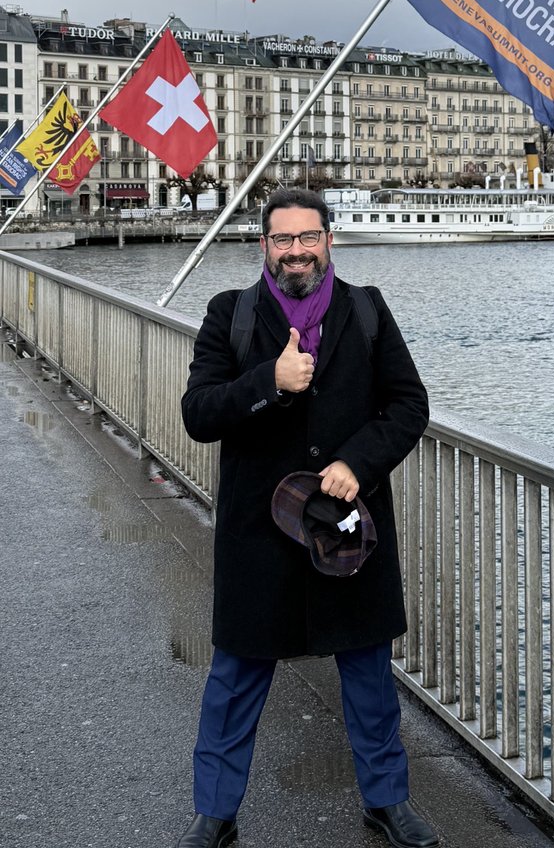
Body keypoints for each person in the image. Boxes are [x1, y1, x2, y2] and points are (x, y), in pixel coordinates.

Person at [176, 188, 439, 848]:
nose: (296, 251)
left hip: (346, 527)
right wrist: (269, 381)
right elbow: (198, 414)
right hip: (258, 536)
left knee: (369, 676)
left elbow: (408, 405)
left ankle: (387, 800)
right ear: (263, 246)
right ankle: (215, 813)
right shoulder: (228, 315)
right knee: (234, 681)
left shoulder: (368, 310)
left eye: (308, 237)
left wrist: (359, 462)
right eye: (282, 240)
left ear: (330, 240)